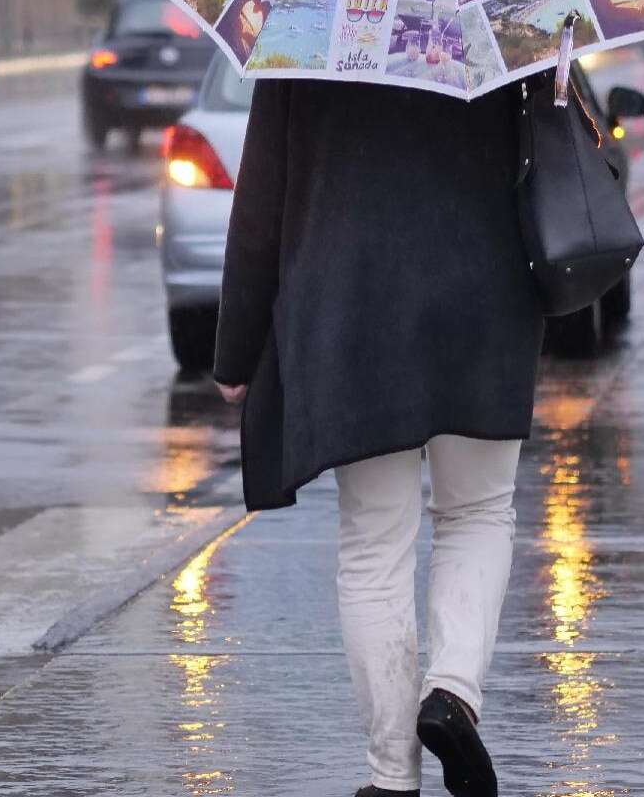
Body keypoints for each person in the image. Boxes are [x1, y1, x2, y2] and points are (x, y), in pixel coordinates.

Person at [214, 77, 540, 797]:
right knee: (478, 512)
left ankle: (392, 776)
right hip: (483, 290)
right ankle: (451, 694)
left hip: (352, 298)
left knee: (373, 544)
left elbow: (263, 195)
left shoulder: (311, 11)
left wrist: (237, 348)